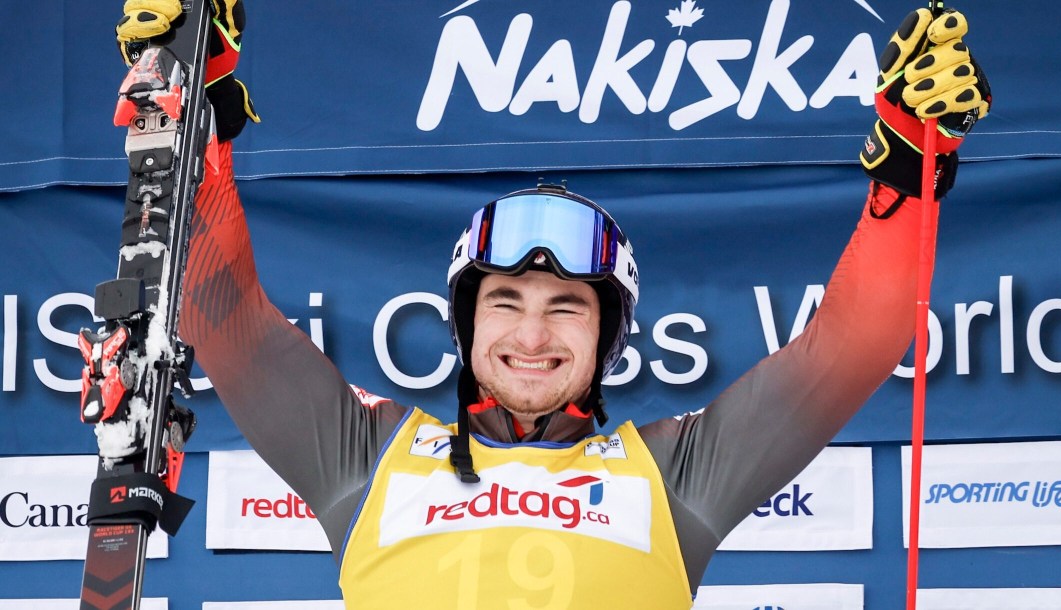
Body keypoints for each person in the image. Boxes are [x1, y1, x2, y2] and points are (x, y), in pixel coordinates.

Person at [116, 1, 990, 607]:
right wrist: (199, 120)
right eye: (505, 301)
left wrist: (906, 173)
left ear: (608, 337)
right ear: (465, 325)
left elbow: (855, 340)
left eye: (568, 307)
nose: (532, 334)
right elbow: (221, 312)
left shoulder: (677, 474)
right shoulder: (367, 454)